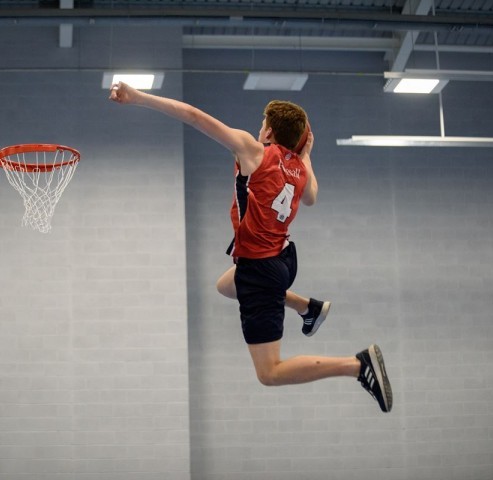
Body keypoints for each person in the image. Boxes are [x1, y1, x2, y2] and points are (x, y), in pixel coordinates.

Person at [109, 82, 392, 412]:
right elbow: (312, 197)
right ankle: (306, 307)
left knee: (269, 373)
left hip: (262, 272)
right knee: (226, 285)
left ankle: (357, 365)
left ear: (269, 131)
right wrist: (306, 157)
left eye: (262, 124)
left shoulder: (254, 151)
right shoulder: (299, 170)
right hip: (284, 259)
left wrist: (138, 97)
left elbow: (194, 116)